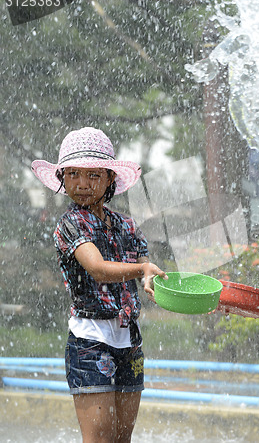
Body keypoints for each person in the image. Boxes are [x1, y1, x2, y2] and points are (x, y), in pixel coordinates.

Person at [31, 127, 167, 442]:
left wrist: (210, 303)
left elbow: (148, 279)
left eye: (92, 175)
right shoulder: (70, 223)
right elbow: (98, 269)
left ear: (109, 179)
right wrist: (142, 268)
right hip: (90, 343)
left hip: (129, 342)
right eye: (74, 174)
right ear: (63, 178)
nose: (81, 183)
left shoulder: (127, 226)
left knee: (121, 439)